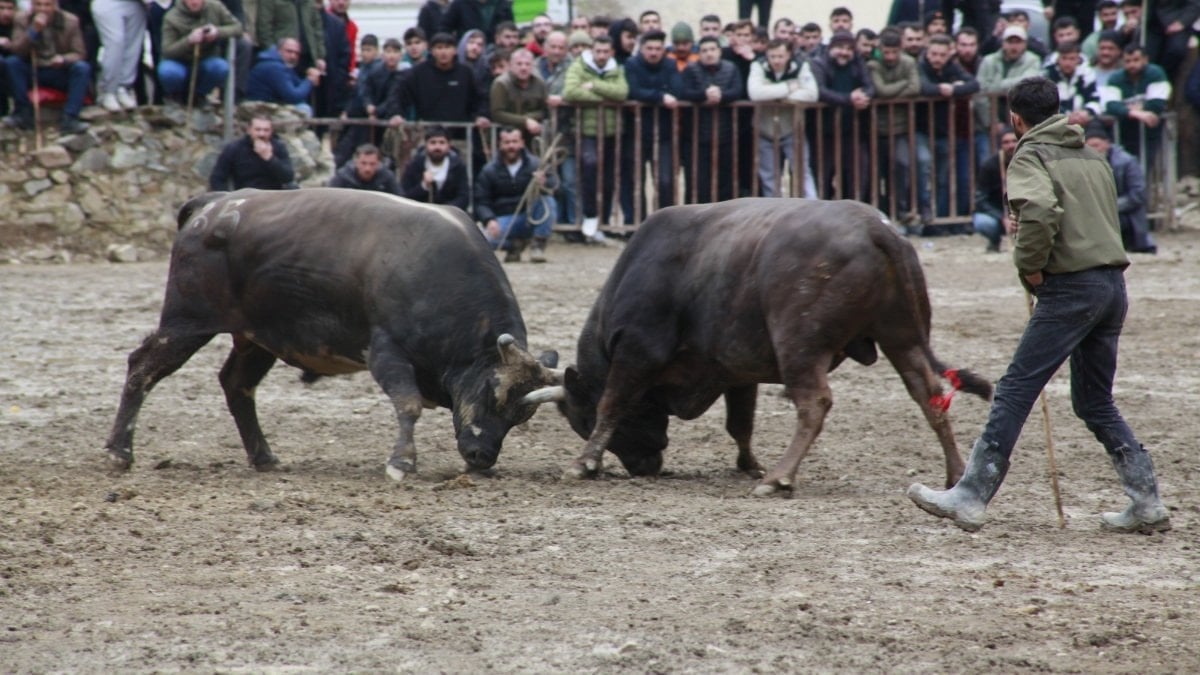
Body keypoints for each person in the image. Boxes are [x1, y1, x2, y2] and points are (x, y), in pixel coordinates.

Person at [908, 76, 1171, 535]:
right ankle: (1146, 500)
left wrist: (1029, 268)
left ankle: (971, 495)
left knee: (1014, 388)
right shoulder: (1092, 157)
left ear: (1016, 117)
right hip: (1112, 286)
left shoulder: (1030, 154)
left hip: (1070, 289)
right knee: (1094, 401)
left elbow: (1041, 212)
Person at [564, 34, 627, 239]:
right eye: (597, 51)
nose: (601, 55)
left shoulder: (616, 68)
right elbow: (571, 92)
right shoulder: (579, 65)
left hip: (610, 132)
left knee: (609, 179)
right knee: (589, 166)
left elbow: (622, 92)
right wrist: (603, 99)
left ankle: (605, 221)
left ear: (611, 52)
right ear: (592, 50)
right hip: (587, 132)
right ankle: (590, 214)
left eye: (605, 52)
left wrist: (594, 86)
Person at [1, 0, 92, 133]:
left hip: (57, 70)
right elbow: (17, 50)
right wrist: (33, 31)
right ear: (32, 6)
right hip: (33, 68)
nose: (43, 9)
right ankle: (23, 113)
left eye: (47, 5)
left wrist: (63, 59)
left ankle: (70, 118)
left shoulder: (70, 21)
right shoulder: (22, 19)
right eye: (38, 5)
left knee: (82, 68)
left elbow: (79, 53)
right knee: (12, 63)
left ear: (55, 5)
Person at [869, 28, 929, 228]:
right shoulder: (873, 65)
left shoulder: (909, 62)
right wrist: (902, 86)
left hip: (901, 128)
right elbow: (881, 91)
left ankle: (902, 210)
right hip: (876, 129)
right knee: (875, 172)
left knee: (902, 165)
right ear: (881, 49)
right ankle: (878, 213)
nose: (890, 57)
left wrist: (892, 91)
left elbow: (916, 88)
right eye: (887, 52)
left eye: (894, 52)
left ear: (900, 49)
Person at [917, 33, 979, 219]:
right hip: (922, 130)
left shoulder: (952, 67)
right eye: (934, 54)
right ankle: (925, 213)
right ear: (927, 53)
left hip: (944, 132)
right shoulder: (920, 66)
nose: (937, 59)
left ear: (949, 55)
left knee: (943, 178)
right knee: (923, 164)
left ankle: (942, 218)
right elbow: (922, 87)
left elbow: (974, 84)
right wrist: (941, 89)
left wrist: (954, 89)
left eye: (942, 55)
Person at [474, 126, 558, 263]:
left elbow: (555, 185)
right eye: (507, 142)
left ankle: (538, 245)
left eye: (514, 141)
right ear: (500, 145)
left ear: (522, 143)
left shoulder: (536, 164)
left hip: (529, 215)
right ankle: (514, 245)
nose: (511, 146)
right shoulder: (489, 170)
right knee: (482, 240)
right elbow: (481, 201)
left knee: (548, 201)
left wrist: (544, 183)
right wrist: (489, 220)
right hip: (503, 218)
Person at [621, 29, 682, 216]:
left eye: (658, 48)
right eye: (649, 48)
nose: (654, 52)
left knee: (665, 180)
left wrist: (652, 95)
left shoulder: (670, 64)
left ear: (664, 49)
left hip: (664, 133)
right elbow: (634, 91)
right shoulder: (631, 64)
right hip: (636, 132)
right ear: (641, 48)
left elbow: (678, 89)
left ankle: (666, 222)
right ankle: (634, 224)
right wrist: (661, 95)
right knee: (634, 181)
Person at [747, 37, 817, 198]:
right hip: (764, 130)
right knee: (769, 177)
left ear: (788, 55)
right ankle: (775, 215)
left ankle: (813, 209)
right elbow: (755, 93)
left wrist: (775, 94)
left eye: (780, 56)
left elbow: (812, 94)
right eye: (772, 56)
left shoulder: (801, 66)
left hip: (792, 129)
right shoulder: (758, 66)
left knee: (802, 173)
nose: (776, 60)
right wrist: (788, 87)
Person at [810, 30, 873, 200]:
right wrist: (849, 99)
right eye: (840, 48)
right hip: (824, 132)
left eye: (848, 49)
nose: (844, 52)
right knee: (822, 178)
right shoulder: (818, 63)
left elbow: (869, 86)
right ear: (831, 47)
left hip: (852, 130)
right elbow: (820, 91)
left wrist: (864, 97)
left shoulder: (857, 63)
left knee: (858, 177)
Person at [679, 35, 742, 204]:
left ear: (720, 51)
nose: (709, 54)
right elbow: (684, 92)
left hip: (726, 135)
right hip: (697, 137)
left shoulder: (731, 68)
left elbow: (738, 90)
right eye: (704, 50)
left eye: (712, 49)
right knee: (698, 185)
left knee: (726, 184)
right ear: (698, 53)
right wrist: (703, 95)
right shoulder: (690, 70)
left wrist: (722, 96)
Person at [1084, 120, 1156, 254]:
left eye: (1096, 145)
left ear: (1107, 143)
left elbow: (1138, 194)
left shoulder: (1127, 161)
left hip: (1124, 214)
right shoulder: (1083, 164)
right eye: (1089, 147)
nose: (1093, 150)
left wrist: (1108, 207)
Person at [157, 0, 242, 105]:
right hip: (179, 61)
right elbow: (167, 51)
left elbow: (237, 27)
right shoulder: (171, 17)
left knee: (220, 67)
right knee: (168, 72)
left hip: (206, 59)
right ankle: (175, 98)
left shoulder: (215, 7)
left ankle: (200, 96)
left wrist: (217, 32)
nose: (194, 2)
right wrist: (188, 41)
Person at [1101, 44, 1170, 163]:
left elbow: (1157, 104)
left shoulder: (1155, 73)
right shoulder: (1115, 78)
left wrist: (1128, 110)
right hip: (1124, 131)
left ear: (1145, 59)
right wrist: (1137, 113)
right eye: (1127, 61)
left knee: (1146, 163)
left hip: (1150, 130)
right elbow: (1111, 105)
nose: (1132, 64)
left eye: (1136, 60)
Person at [976, 25, 1042, 137]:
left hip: (1021, 123)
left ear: (1025, 44)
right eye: (1010, 42)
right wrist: (992, 122)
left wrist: (994, 87)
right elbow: (980, 93)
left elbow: (1027, 84)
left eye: (1018, 42)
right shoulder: (988, 61)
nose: (1014, 46)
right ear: (1003, 43)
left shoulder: (1033, 60)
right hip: (989, 124)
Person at [209, 114, 297, 190]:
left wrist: (270, 158)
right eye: (258, 130)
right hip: (245, 196)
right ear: (249, 130)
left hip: (273, 196)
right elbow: (217, 178)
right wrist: (228, 198)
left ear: (271, 131)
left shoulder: (278, 146)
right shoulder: (235, 148)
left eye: (266, 130)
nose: (261, 134)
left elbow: (288, 177)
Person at [400, 125, 470, 209]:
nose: (437, 147)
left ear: (449, 146)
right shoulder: (414, 165)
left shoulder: (458, 166)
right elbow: (405, 197)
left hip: (450, 215)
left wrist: (446, 210)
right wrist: (423, 186)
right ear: (426, 145)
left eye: (442, 142)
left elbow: (464, 197)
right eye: (433, 142)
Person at [246, 36, 322, 115]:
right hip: (260, 109)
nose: (293, 56)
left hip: (271, 106)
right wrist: (309, 80)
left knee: (303, 106)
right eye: (289, 51)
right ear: (279, 50)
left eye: (297, 53)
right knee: (304, 109)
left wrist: (308, 75)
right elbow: (294, 97)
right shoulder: (274, 67)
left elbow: (297, 86)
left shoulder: (282, 64)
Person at [971, 126, 1017, 253]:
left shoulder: (1031, 161)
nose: (1011, 145)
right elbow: (980, 200)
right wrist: (1002, 217)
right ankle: (995, 240)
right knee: (982, 222)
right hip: (999, 215)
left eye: (1014, 141)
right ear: (1000, 145)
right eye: (1006, 142)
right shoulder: (990, 165)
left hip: (1024, 214)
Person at [93, 0, 145, 112]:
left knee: (133, 45)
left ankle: (123, 87)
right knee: (115, 43)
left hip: (137, 4)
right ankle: (108, 91)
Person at [489, 46, 546, 146]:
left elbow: (545, 110)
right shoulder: (501, 83)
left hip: (532, 136)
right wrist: (525, 121)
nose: (523, 68)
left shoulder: (540, 83)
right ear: (511, 65)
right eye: (519, 64)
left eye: (527, 64)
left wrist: (531, 118)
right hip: (506, 136)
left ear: (533, 66)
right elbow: (496, 113)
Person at [1044, 41, 1100, 127]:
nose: (1067, 63)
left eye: (1072, 59)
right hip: (1055, 122)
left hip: (1083, 120)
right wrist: (1066, 116)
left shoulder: (1087, 74)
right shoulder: (1048, 74)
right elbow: (1046, 103)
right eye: (1064, 58)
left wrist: (1086, 112)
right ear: (1058, 59)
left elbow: (1094, 100)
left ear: (1078, 59)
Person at [328, 142, 401, 193]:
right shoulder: (343, 177)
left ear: (378, 164)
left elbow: (399, 199)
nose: (367, 169)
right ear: (356, 162)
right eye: (363, 163)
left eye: (372, 164)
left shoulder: (387, 178)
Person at [439, 0, 513, 43]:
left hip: (497, 54)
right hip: (466, 54)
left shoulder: (502, 4)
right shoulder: (460, 4)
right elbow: (444, 28)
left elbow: (510, 28)